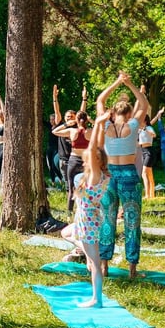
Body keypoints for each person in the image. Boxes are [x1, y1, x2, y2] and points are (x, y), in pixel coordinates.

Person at [96, 71, 148, 279]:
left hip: (109, 176)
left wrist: (117, 82)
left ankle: (104, 265)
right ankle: (132, 268)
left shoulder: (107, 125)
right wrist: (130, 83)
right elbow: (143, 103)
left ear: (114, 113)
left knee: (107, 219)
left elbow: (101, 99)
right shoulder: (132, 126)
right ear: (128, 114)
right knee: (132, 221)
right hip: (128, 175)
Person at [61, 110, 111, 308]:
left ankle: (96, 299)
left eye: (90, 157)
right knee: (66, 232)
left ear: (96, 161)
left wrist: (98, 123)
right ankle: (86, 253)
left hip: (89, 221)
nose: (86, 157)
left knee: (95, 264)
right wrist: (98, 124)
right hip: (85, 219)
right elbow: (96, 148)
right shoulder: (97, 175)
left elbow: (93, 148)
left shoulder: (94, 178)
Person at [53, 110, 92, 214]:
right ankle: (86, 210)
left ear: (77, 120)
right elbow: (102, 130)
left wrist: (66, 124)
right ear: (85, 120)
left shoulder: (72, 131)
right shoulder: (90, 131)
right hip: (85, 161)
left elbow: (55, 131)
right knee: (87, 186)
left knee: (71, 189)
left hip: (73, 161)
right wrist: (91, 121)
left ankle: (69, 213)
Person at [138, 114, 157, 199]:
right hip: (143, 151)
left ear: (145, 120)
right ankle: (152, 194)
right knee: (149, 174)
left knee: (144, 173)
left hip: (149, 152)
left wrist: (145, 129)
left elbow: (154, 134)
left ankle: (147, 195)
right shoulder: (141, 130)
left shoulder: (148, 128)